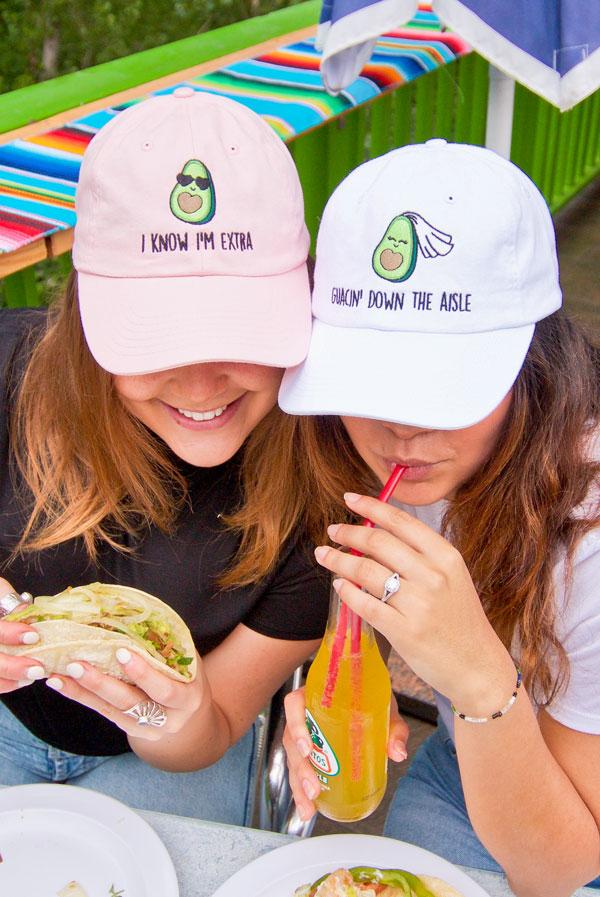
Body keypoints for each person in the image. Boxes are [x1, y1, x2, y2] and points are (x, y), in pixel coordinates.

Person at [0, 88, 331, 825]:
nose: (203, 383)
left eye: (241, 334)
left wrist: (169, 717)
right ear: (88, 312)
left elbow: (208, 732)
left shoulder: (321, 490)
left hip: (168, 762)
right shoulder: (12, 373)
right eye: (156, 339)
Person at [278, 140, 600, 896]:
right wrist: (348, 678)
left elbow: (564, 865)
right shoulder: (354, 453)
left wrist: (479, 676)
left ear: (532, 362)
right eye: (369, 378)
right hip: (468, 769)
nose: (401, 430)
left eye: (441, 388)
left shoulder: (586, 531)